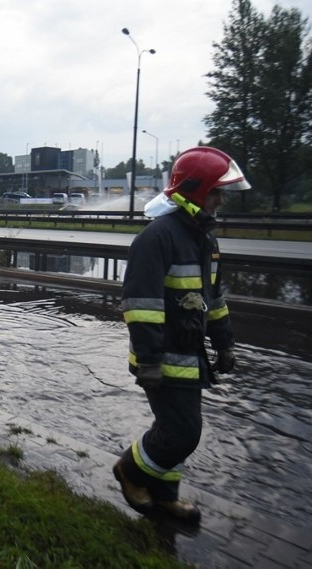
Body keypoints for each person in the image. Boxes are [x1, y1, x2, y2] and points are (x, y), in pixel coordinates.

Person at [113, 146, 250, 524]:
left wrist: (225, 345)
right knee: (183, 432)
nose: (221, 200)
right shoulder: (157, 238)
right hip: (162, 358)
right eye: (215, 192)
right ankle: (130, 471)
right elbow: (141, 307)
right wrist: (151, 362)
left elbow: (214, 300)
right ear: (194, 191)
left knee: (177, 430)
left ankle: (164, 496)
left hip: (190, 356)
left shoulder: (204, 239)